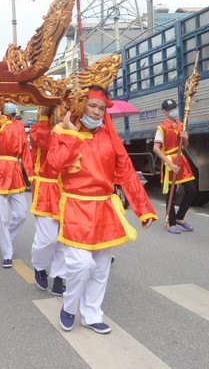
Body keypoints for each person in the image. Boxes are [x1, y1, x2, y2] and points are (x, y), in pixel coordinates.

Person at [47, 87, 156, 335]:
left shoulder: (109, 136)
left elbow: (126, 171)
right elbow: (55, 165)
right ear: (80, 106)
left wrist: (143, 209)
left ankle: (92, 313)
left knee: (101, 266)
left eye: (101, 108)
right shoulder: (62, 132)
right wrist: (72, 136)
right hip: (76, 204)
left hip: (105, 205)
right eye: (91, 106)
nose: (96, 112)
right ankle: (69, 306)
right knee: (81, 264)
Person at [0, 101, 33, 267]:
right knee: (2, 217)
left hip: (14, 169)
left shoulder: (19, 125)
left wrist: (30, 175)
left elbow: (25, 149)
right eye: (6, 103)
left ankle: (7, 240)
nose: (9, 106)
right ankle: (7, 253)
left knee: (21, 213)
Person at [29, 106, 66, 296]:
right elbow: (44, 142)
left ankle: (59, 276)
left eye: (65, 110)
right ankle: (40, 266)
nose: (62, 114)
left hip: (67, 189)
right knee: (48, 238)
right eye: (59, 110)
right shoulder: (38, 128)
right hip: (46, 187)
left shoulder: (72, 129)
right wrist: (44, 118)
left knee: (63, 239)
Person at [153, 98, 197, 234]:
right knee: (171, 194)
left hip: (181, 160)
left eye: (175, 107)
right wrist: (170, 163)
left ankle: (180, 217)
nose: (174, 111)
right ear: (164, 112)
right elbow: (156, 148)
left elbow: (186, 146)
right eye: (170, 109)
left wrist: (184, 138)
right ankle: (171, 222)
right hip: (169, 161)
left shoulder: (180, 125)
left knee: (191, 190)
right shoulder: (162, 128)